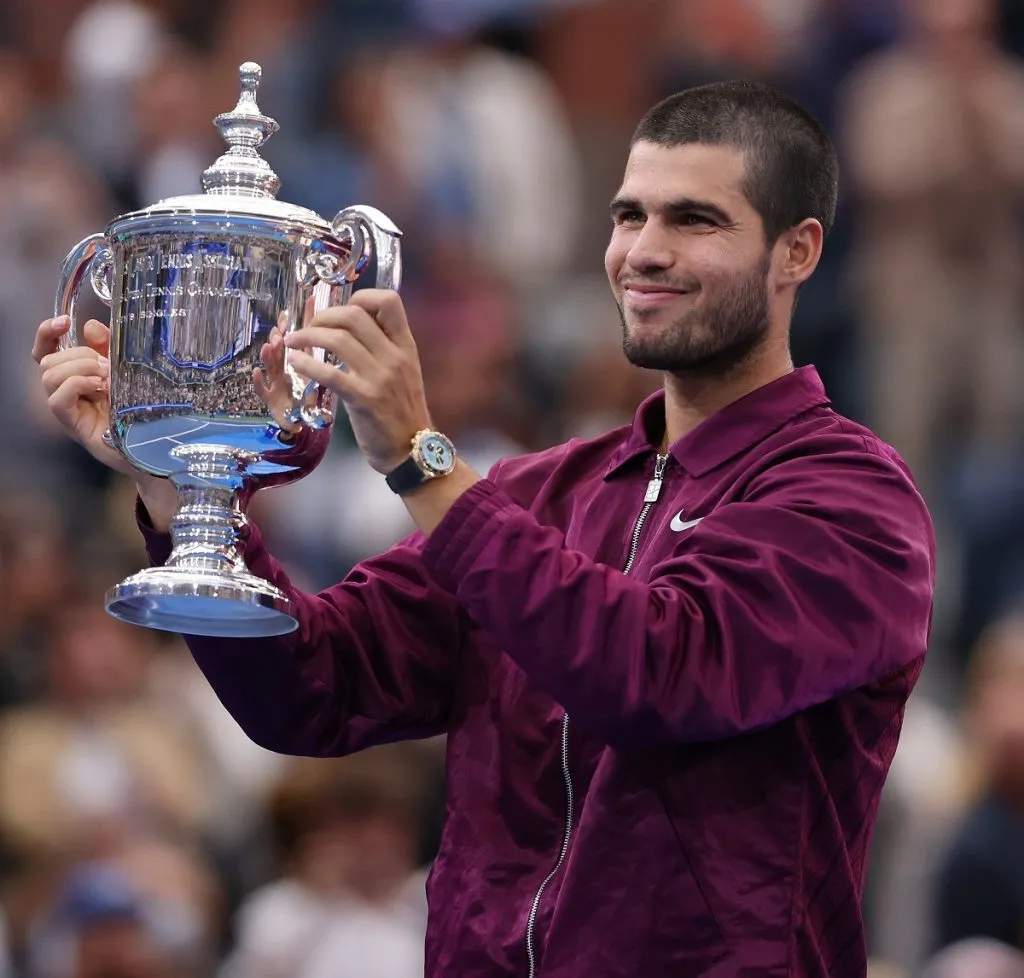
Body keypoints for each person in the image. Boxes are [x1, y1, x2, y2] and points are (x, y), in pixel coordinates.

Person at [33, 80, 935, 977]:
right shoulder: (541, 495)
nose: (644, 253)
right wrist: (179, 489)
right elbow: (311, 687)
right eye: (630, 217)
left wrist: (422, 461)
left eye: (695, 220)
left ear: (798, 251)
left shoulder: (852, 504)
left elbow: (654, 676)